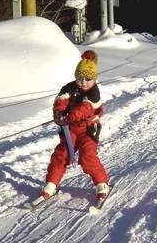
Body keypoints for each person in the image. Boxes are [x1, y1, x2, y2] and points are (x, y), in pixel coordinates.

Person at [32, 50, 109, 206]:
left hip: (88, 130)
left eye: (88, 79)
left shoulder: (94, 92)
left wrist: (69, 116)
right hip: (70, 129)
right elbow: (61, 100)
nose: (83, 82)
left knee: (87, 157)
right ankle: (51, 184)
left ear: (94, 79)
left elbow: (85, 108)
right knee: (61, 154)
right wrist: (59, 113)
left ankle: (102, 184)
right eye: (80, 78)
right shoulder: (70, 88)